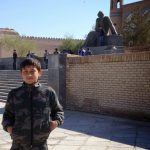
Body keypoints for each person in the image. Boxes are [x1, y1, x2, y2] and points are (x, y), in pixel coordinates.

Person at [2, 58, 64, 150]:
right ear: (21, 74)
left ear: (39, 72)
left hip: (40, 144)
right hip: (18, 144)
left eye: (32, 71)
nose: (29, 74)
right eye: (25, 71)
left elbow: (58, 111)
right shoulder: (14, 93)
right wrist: (9, 128)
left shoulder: (48, 92)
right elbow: (7, 116)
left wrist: (55, 123)